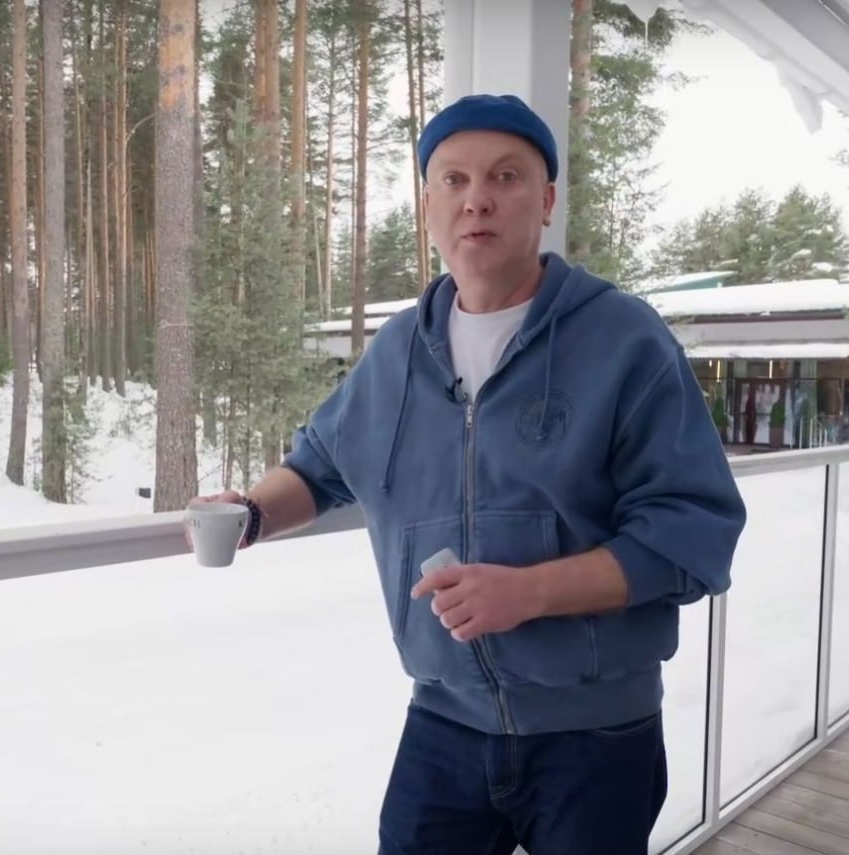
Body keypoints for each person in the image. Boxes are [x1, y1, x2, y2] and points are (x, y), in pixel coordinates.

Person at [186, 93, 747, 854]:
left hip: (595, 734)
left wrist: (529, 592)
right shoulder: (398, 352)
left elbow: (693, 534)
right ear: (428, 206)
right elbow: (320, 466)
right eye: (453, 179)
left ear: (545, 201)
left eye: (505, 176)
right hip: (444, 720)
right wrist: (252, 512)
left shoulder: (625, 341)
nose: (476, 198)